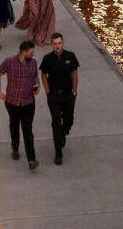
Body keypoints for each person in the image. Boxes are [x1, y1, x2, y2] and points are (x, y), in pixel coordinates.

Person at [0, 40, 39, 170]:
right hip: (12, 102)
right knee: (14, 125)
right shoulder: (9, 62)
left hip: (28, 102)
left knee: (27, 130)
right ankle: (15, 147)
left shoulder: (34, 63)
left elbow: (35, 77)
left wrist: (37, 86)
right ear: (23, 51)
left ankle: (31, 159)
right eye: (31, 52)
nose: (33, 54)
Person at [40, 32, 80, 165]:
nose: (57, 46)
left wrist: (74, 90)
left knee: (69, 120)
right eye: (55, 44)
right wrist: (47, 91)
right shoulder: (47, 58)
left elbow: (74, 73)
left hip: (68, 94)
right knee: (56, 122)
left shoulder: (71, 56)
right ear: (51, 44)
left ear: (63, 43)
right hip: (54, 95)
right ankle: (58, 153)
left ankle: (64, 133)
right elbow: (44, 75)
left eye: (59, 43)